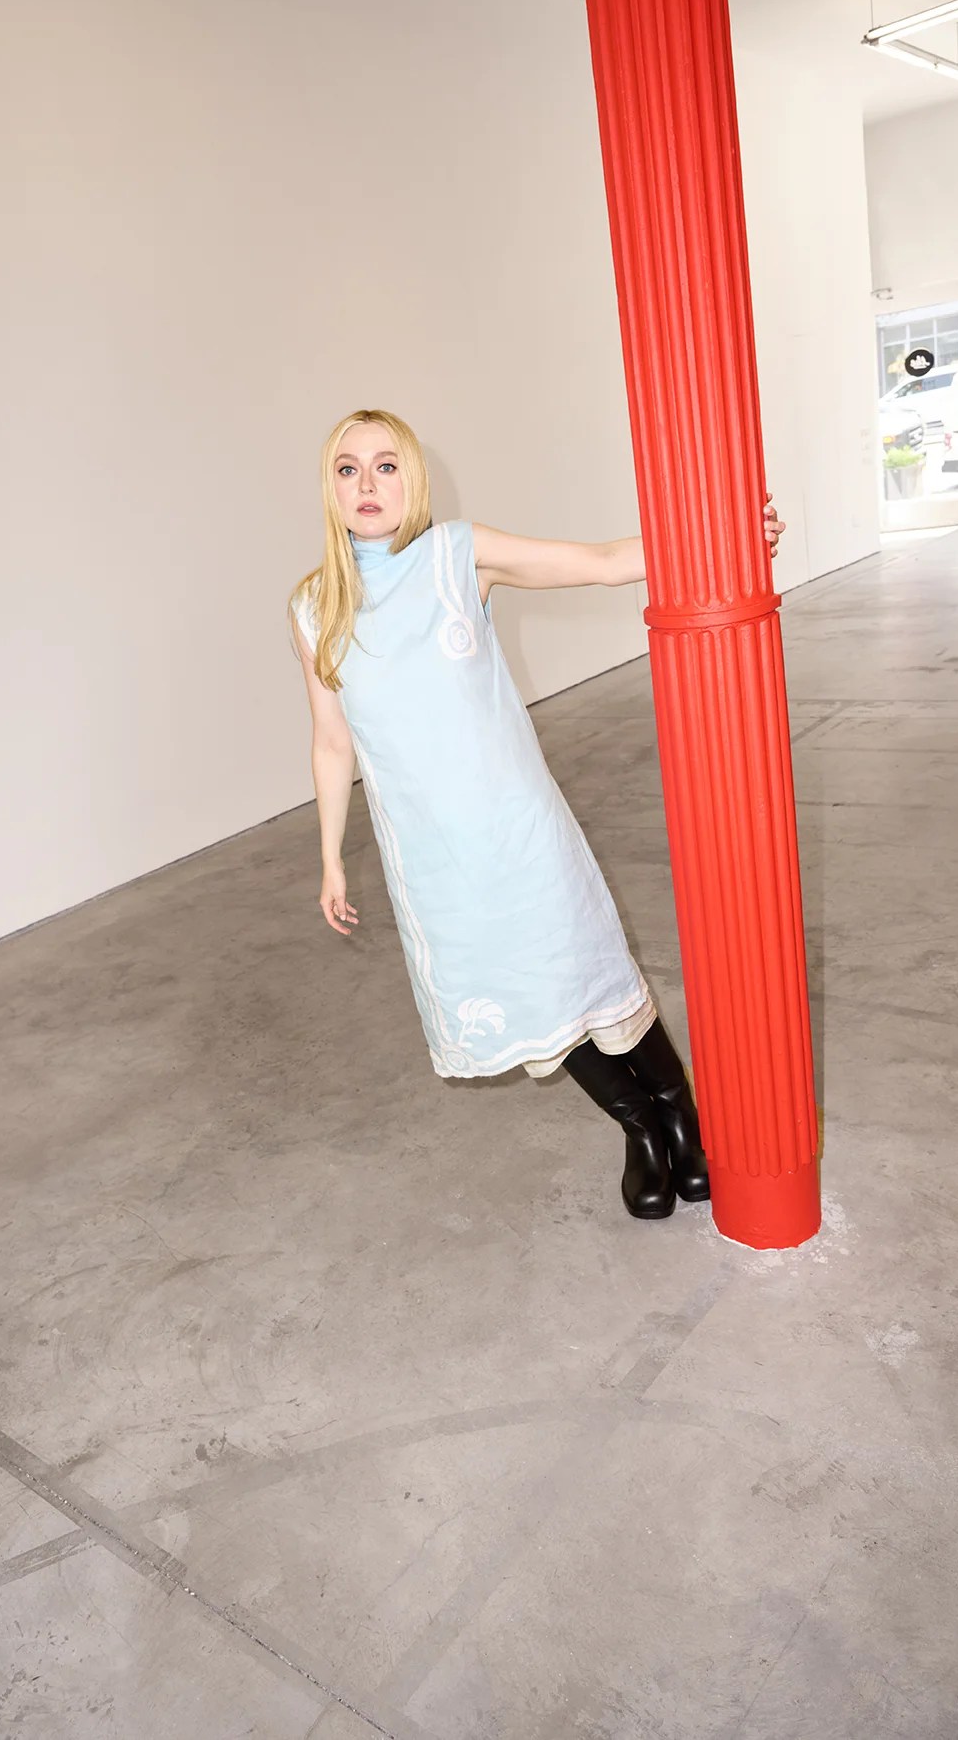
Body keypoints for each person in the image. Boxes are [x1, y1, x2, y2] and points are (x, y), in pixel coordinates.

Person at [291, 410, 785, 1222]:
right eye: (348, 469)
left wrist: (724, 537)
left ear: (412, 478)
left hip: (517, 827)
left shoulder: (457, 554)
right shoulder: (314, 607)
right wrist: (330, 858)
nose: (367, 484)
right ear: (330, 488)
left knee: (584, 968)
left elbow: (601, 563)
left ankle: (683, 1119)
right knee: (527, 994)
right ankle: (640, 1129)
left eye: (386, 465)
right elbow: (330, 740)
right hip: (431, 856)